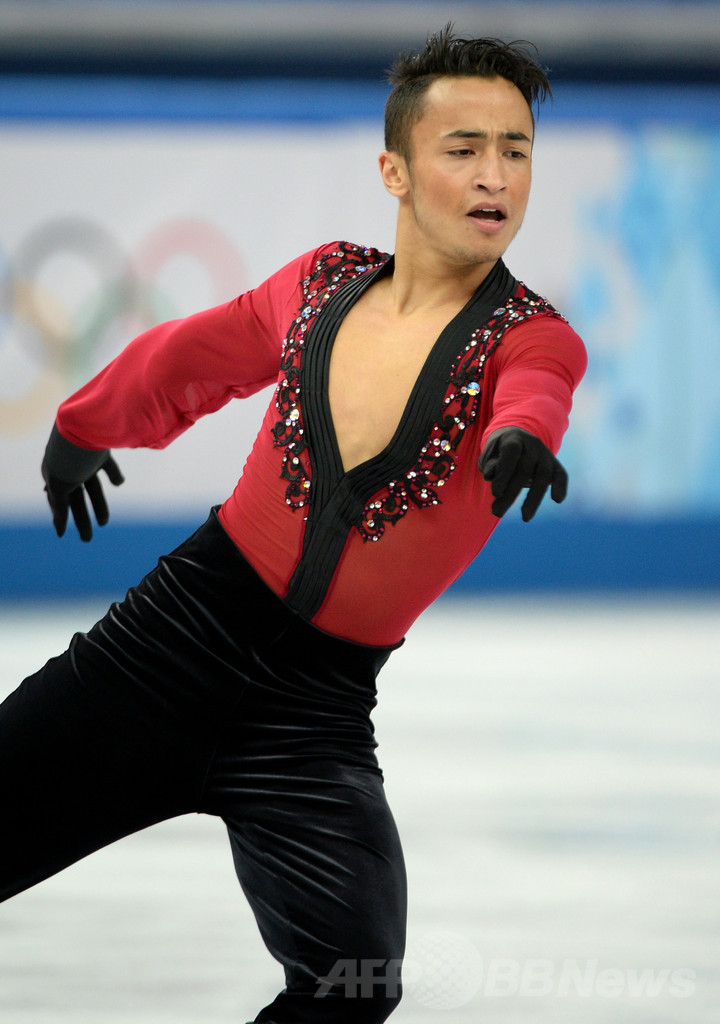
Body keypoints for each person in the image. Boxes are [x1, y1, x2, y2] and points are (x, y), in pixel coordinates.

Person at [0, 26, 587, 1024]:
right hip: (164, 651)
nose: (495, 175)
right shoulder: (321, 283)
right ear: (395, 171)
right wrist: (84, 424)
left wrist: (522, 432)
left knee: (355, 981)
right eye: (464, 149)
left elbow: (538, 388)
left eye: (516, 150)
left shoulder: (531, 337)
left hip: (310, 722)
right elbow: (193, 354)